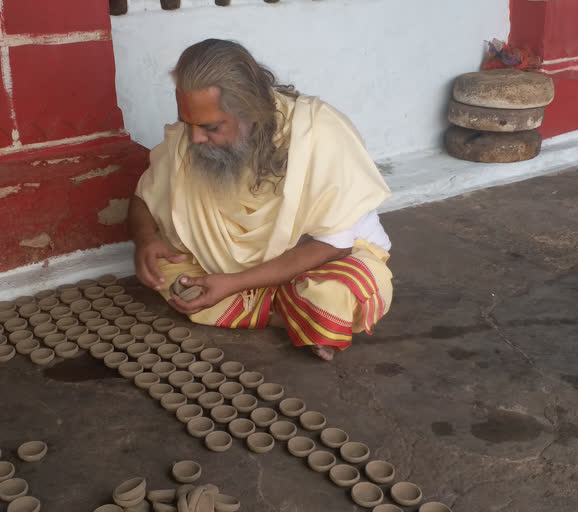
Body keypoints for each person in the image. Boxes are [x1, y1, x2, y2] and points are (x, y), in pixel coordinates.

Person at [130, 39, 394, 360]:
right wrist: (146, 239)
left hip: (323, 260)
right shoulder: (192, 140)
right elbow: (143, 198)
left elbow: (333, 245)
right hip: (225, 271)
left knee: (343, 293)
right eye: (189, 124)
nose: (196, 138)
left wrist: (234, 283)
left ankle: (270, 307)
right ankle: (291, 314)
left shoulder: (318, 133)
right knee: (169, 275)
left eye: (211, 127)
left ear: (250, 112)